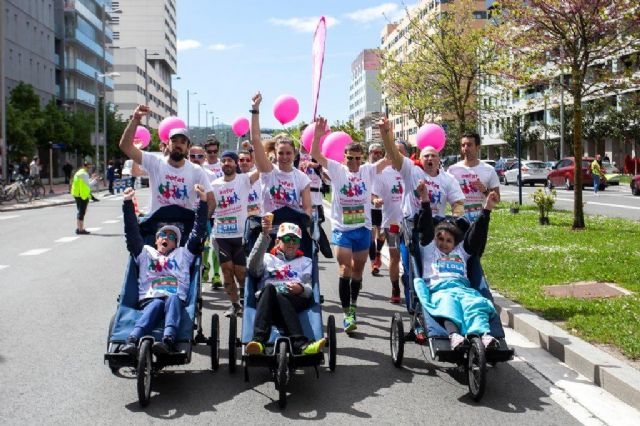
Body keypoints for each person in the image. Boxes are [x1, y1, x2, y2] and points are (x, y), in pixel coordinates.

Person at [310, 117, 389, 333]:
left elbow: (391, 158)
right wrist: (318, 136)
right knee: (344, 269)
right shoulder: (337, 169)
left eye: (357, 158)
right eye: (350, 158)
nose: (353, 163)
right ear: (344, 158)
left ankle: (354, 305)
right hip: (342, 229)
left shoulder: (368, 171)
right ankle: (347, 314)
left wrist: (386, 134)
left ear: (361, 159)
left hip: (362, 229)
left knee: (357, 272)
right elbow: (316, 155)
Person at [120, 184, 209, 355]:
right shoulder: (146, 252)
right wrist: (127, 203)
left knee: (173, 299)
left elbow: (197, 232)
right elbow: (132, 232)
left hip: (175, 297)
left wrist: (202, 203)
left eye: (171, 237)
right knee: (156, 305)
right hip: (150, 297)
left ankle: (168, 340)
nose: (165, 238)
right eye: (162, 235)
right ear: (155, 240)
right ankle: (132, 339)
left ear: (176, 243)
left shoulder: (183, 253)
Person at [415, 182, 500, 349]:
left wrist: (487, 208)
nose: (444, 244)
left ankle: (484, 335)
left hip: (463, 289)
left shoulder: (461, 252)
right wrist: (425, 198)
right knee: (448, 305)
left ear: (455, 243)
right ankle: (454, 336)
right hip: (440, 290)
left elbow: (477, 233)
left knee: (476, 304)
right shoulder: (430, 250)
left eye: (448, 241)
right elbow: (426, 226)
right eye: (440, 239)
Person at [245, 219, 326, 355]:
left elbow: (309, 289)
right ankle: (258, 342)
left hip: (293, 300)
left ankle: (300, 344)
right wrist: (264, 235)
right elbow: (252, 268)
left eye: (295, 240)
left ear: (299, 244)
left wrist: (300, 288)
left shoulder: (305, 262)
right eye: (287, 238)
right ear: (278, 241)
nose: (291, 243)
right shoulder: (266, 258)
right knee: (271, 288)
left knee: (281, 295)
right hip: (267, 301)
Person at [118, 105, 215, 217]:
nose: (178, 145)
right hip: (156, 227)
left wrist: (200, 226)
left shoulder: (196, 170)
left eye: (183, 142)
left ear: (188, 147)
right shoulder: (154, 162)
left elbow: (211, 200)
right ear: (167, 144)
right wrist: (135, 119)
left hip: (185, 228)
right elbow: (125, 146)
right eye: (174, 141)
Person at [210, 150, 259, 317]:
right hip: (221, 236)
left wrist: (258, 148)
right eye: (224, 161)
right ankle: (234, 304)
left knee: (241, 272)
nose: (227, 164)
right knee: (226, 270)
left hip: (240, 235)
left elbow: (261, 168)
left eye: (230, 160)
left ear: (236, 163)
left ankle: (246, 302)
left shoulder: (244, 180)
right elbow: (209, 207)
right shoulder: (215, 184)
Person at [250, 92, 312, 216]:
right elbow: (256, 139)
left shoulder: (302, 178)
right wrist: (255, 110)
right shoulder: (268, 171)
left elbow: (307, 209)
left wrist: (305, 224)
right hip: (269, 229)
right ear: (275, 153)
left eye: (288, 153)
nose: (284, 157)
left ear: (294, 154)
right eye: (281, 153)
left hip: (292, 231)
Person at [447, 132, 500, 222]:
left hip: (480, 220)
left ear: (478, 147)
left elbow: (497, 199)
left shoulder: (489, 169)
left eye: (469, 145)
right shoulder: (452, 170)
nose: (465, 148)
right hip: (458, 219)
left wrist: (485, 191)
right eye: (463, 145)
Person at [373, 158, 405, 304]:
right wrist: (376, 200)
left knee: (410, 257)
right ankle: (395, 287)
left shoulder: (412, 171)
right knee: (394, 255)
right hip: (391, 224)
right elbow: (373, 193)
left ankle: (411, 285)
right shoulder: (384, 173)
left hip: (410, 223)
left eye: (400, 150)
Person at [368, 143, 385, 275]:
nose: (378, 155)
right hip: (370, 206)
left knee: (382, 234)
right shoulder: (365, 168)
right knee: (372, 235)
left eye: (380, 152)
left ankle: (378, 253)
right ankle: (373, 262)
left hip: (384, 206)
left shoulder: (386, 168)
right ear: (370, 153)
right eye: (375, 152)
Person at [71, 161, 95, 234]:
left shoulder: (79, 172)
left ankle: (79, 228)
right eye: (90, 167)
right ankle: (80, 229)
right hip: (82, 195)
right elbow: (88, 185)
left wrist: (91, 178)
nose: (90, 168)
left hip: (77, 194)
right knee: (81, 212)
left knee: (80, 212)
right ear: (86, 166)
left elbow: (85, 182)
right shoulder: (84, 174)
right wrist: (95, 180)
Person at [238, 149, 262, 217]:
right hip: (241, 219)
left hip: (257, 218)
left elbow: (261, 166)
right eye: (242, 160)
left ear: (252, 163)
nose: (244, 162)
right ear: (237, 162)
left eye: (248, 160)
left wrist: (251, 150)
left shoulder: (259, 175)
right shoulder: (234, 179)